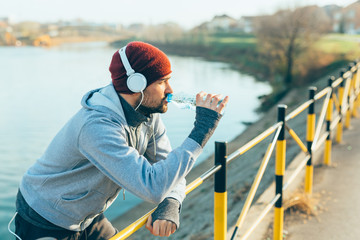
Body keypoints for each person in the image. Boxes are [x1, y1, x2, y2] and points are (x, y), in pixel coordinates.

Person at [12, 41, 229, 240]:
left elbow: (170, 167)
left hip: (87, 214)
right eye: (163, 82)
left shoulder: (147, 114)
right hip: (46, 217)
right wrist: (202, 130)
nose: (170, 90)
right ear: (136, 83)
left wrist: (171, 201)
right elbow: (152, 187)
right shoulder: (97, 127)